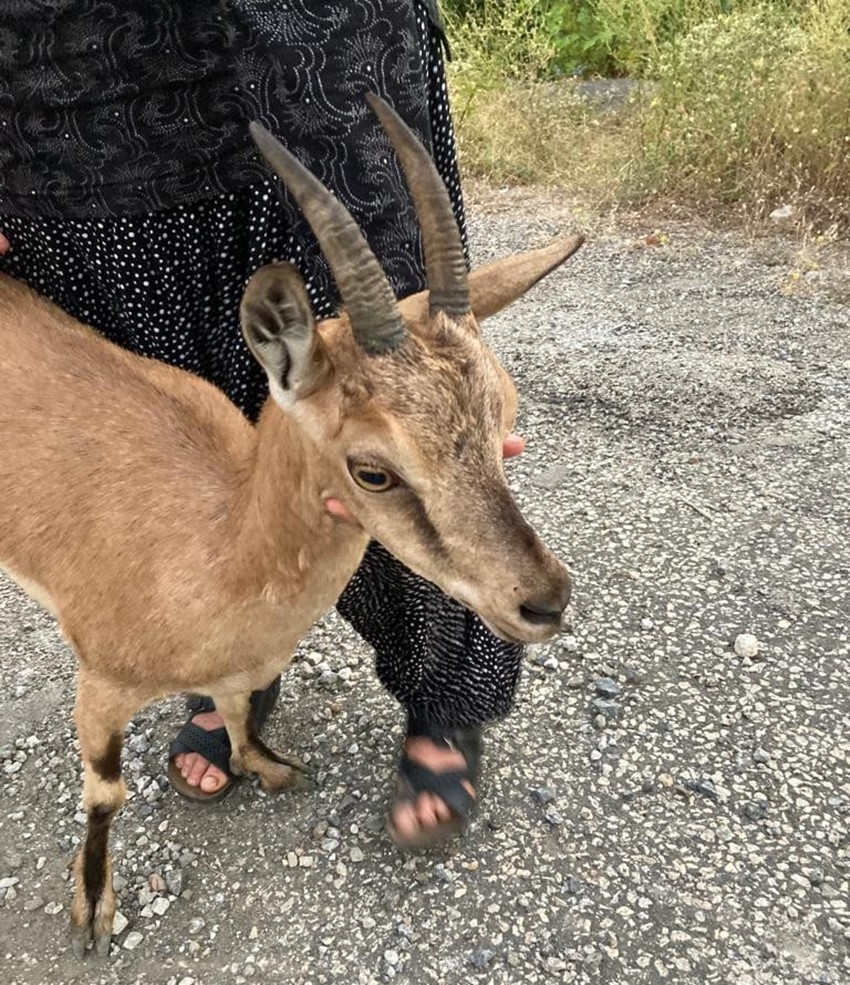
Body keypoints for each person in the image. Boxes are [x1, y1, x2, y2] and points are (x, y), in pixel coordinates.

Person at [0, 0, 525, 847]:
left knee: (391, 455)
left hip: (305, 91)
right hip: (63, 148)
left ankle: (443, 690)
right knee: (176, 473)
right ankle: (229, 667)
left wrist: (421, 363)